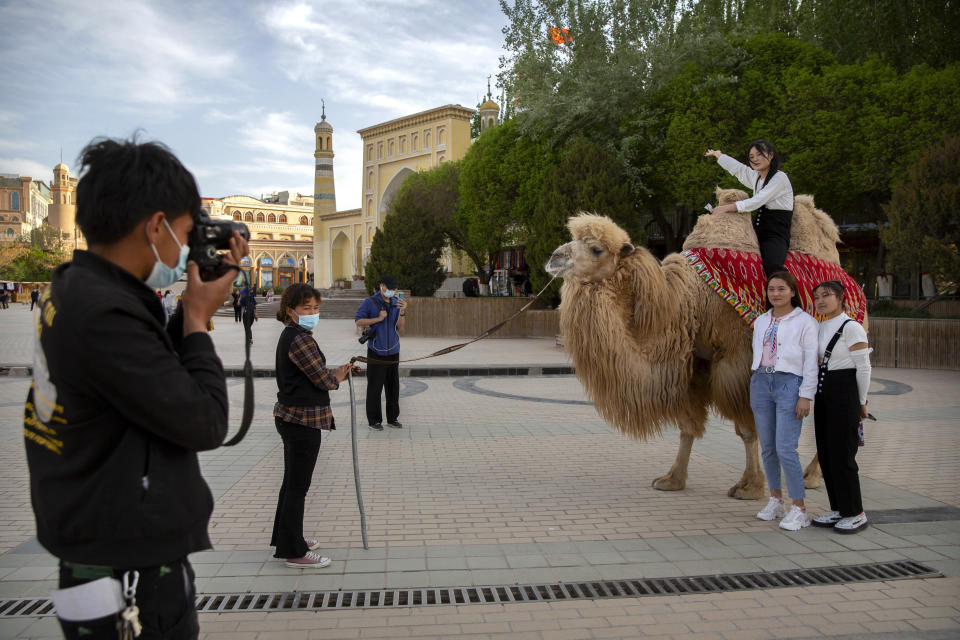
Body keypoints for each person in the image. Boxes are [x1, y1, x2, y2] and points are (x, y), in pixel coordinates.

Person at [22, 136, 248, 639]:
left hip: (101, 536)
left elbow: (141, 379)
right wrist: (195, 316)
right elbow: (204, 420)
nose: (187, 248)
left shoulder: (79, 289)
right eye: (186, 233)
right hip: (124, 560)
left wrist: (187, 316)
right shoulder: (104, 312)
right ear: (155, 225)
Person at [271, 283, 352, 567]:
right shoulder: (300, 339)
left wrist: (336, 374)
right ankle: (293, 550)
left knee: (291, 482)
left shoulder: (293, 334)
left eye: (316, 308)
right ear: (291, 311)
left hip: (292, 418)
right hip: (301, 420)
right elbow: (321, 379)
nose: (313, 313)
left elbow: (312, 373)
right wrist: (337, 378)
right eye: (307, 308)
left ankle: (287, 536)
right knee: (297, 486)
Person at [749, 271, 818, 531]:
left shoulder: (805, 322)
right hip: (761, 382)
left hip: (790, 384)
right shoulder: (760, 321)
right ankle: (776, 500)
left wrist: (805, 395)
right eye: (771, 289)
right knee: (767, 447)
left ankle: (799, 508)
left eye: (781, 289)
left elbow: (811, 362)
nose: (775, 294)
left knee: (785, 448)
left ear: (792, 292)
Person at [811, 280, 872, 534]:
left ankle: (855, 512)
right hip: (824, 393)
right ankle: (838, 508)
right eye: (817, 297)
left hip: (845, 392)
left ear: (840, 298)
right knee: (826, 454)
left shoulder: (852, 327)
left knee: (843, 456)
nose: (821, 300)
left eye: (827, 295)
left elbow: (864, 367)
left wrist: (861, 401)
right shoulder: (821, 326)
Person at [705, 140, 794, 278]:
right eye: (751, 157)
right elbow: (740, 170)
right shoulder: (757, 177)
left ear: (771, 155)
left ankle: (781, 295)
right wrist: (719, 155)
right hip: (756, 230)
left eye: (759, 154)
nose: (755, 159)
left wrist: (727, 207)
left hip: (775, 234)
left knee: (772, 267)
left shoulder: (780, 177)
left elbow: (757, 201)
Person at [355, 274, 407, 430]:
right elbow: (358, 321)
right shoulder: (369, 302)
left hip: (393, 350)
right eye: (389, 288)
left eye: (394, 289)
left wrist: (403, 312)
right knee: (375, 387)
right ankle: (374, 421)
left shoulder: (396, 302)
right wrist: (377, 319)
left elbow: (400, 328)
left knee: (393, 387)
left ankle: (392, 419)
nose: (391, 291)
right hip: (376, 351)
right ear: (381, 286)